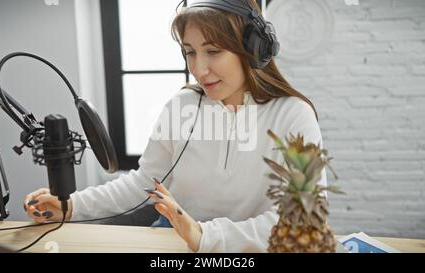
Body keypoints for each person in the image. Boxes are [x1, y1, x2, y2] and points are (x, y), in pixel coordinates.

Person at [23, 0, 327, 253]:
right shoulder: (182, 105)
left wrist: (205, 236)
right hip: (174, 246)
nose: (198, 69)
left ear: (254, 49)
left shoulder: (294, 116)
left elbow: (302, 219)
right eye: (190, 52)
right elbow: (144, 183)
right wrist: (71, 205)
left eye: (213, 51)